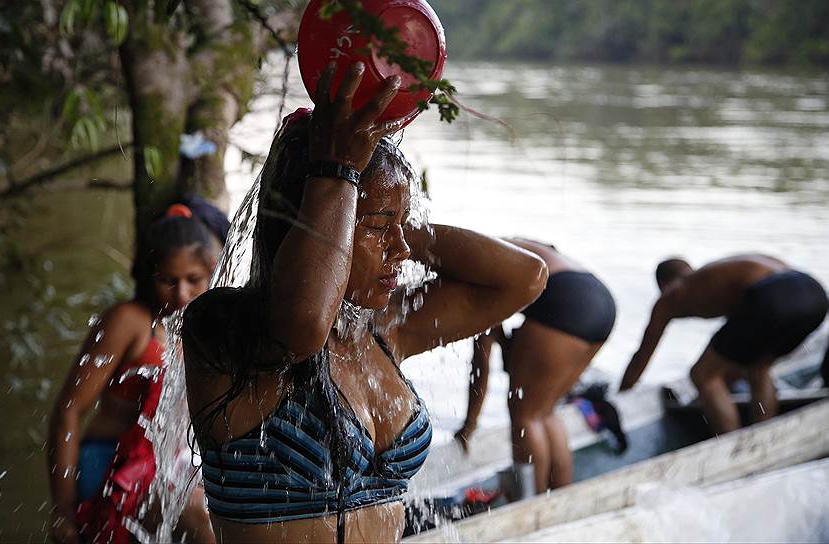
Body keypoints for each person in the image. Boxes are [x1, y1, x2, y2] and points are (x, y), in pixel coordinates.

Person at [181, 61, 548, 544]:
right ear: (309, 216)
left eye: (402, 227)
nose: (400, 250)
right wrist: (338, 170)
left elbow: (523, 279)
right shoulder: (223, 328)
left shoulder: (385, 330)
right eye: (378, 228)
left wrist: (391, 220)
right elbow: (303, 328)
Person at [47, 196, 227, 544]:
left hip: (171, 468)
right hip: (109, 465)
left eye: (194, 279)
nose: (182, 294)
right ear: (147, 275)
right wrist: (62, 509)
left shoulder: (202, 333)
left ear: (212, 273)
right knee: (201, 516)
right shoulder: (129, 321)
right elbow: (69, 411)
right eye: (168, 280)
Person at [454, 240, 616, 493]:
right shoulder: (503, 248)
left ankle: (531, 504)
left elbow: (480, 365)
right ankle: (560, 498)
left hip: (566, 301)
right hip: (600, 299)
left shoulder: (475, 275)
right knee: (544, 411)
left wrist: (469, 424)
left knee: (524, 415)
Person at [620, 254, 828, 434]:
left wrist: (622, 396)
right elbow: (741, 342)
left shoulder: (674, 291)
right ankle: (765, 437)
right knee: (758, 367)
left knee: (703, 374)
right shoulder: (719, 273)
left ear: (664, 284)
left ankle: (732, 445)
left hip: (773, 295)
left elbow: (642, 355)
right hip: (814, 295)